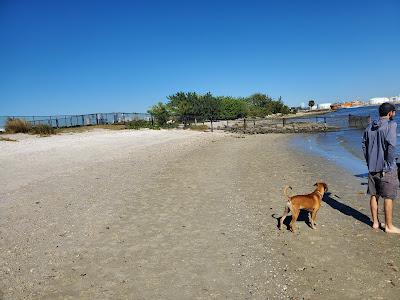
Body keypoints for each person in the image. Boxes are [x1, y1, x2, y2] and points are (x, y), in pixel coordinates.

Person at [362, 102, 400, 234]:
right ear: (390, 113)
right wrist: (389, 165)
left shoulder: (369, 127)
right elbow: (391, 146)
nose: (394, 114)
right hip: (386, 168)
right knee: (388, 196)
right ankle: (389, 226)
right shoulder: (391, 125)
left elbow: (364, 146)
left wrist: (369, 162)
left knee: (374, 194)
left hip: (372, 167)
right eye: (394, 112)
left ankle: (376, 222)